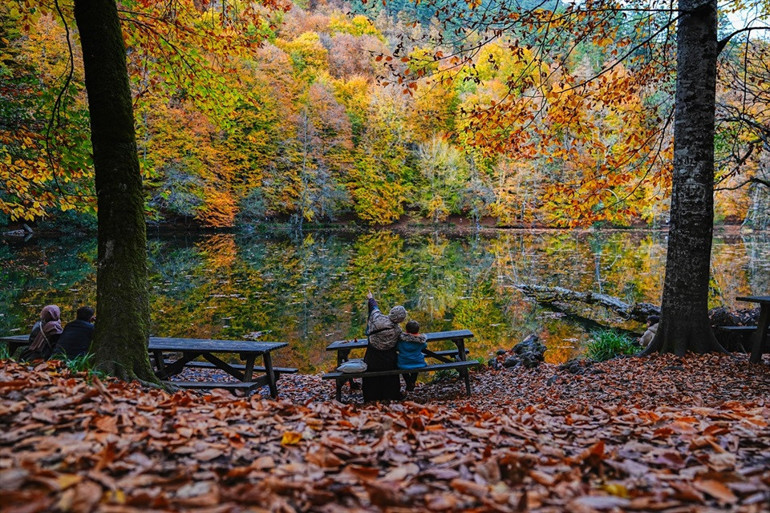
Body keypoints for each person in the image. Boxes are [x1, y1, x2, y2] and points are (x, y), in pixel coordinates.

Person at [362, 291, 406, 401]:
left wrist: (371, 298)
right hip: (388, 361)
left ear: (391, 312)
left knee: (371, 374)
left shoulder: (377, 318)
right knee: (391, 370)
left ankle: (371, 396)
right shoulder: (398, 331)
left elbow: (373, 308)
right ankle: (391, 395)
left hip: (372, 359)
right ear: (401, 320)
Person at [398, 320, 427, 392]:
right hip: (418, 362)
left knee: (403, 368)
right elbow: (425, 346)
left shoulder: (401, 341)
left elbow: (397, 347)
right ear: (417, 331)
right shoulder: (420, 341)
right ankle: (412, 381)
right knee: (415, 366)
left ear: (406, 330)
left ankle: (408, 382)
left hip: (403, 363)